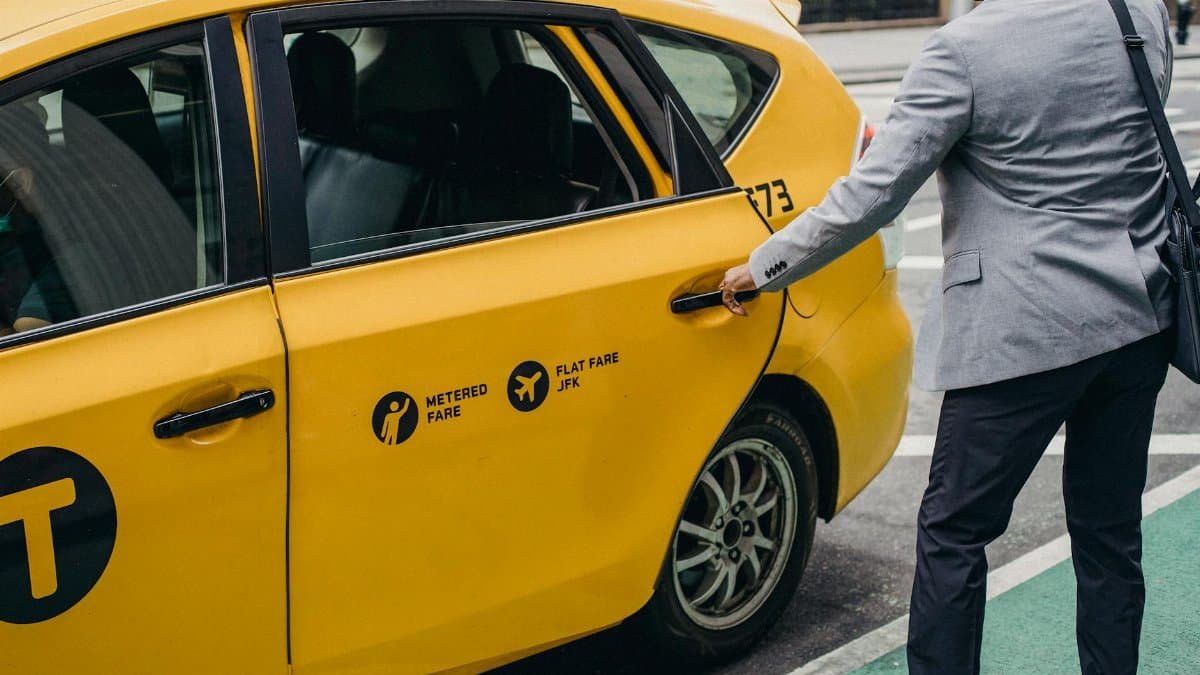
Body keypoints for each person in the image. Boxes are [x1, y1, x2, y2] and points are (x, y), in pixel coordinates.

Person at [721, 0, 1175, 673]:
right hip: (1136, 318)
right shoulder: (1140, 14)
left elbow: (873, 195)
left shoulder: (963, 51)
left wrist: (764, 267)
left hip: (1021, 331)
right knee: (1110, 534)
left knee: (954, 532)